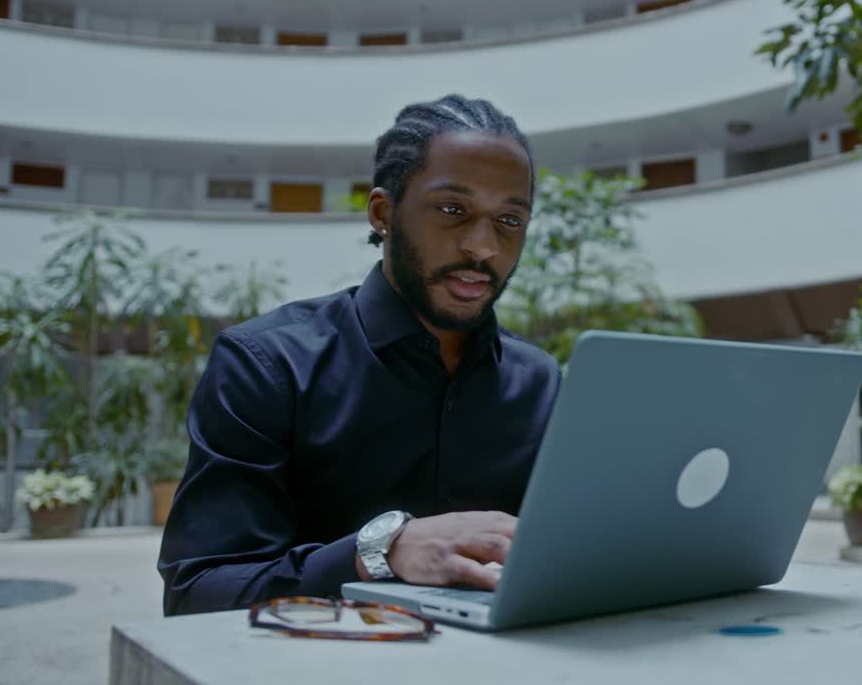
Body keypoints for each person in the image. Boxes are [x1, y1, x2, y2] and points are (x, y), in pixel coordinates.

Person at [158, 95, 562, 616]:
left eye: (509, 220)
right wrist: (379, 551)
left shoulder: (540, 381)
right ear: (383, 212)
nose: (483, 247)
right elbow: (199, 592)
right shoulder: (267, 365)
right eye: (452, 210)